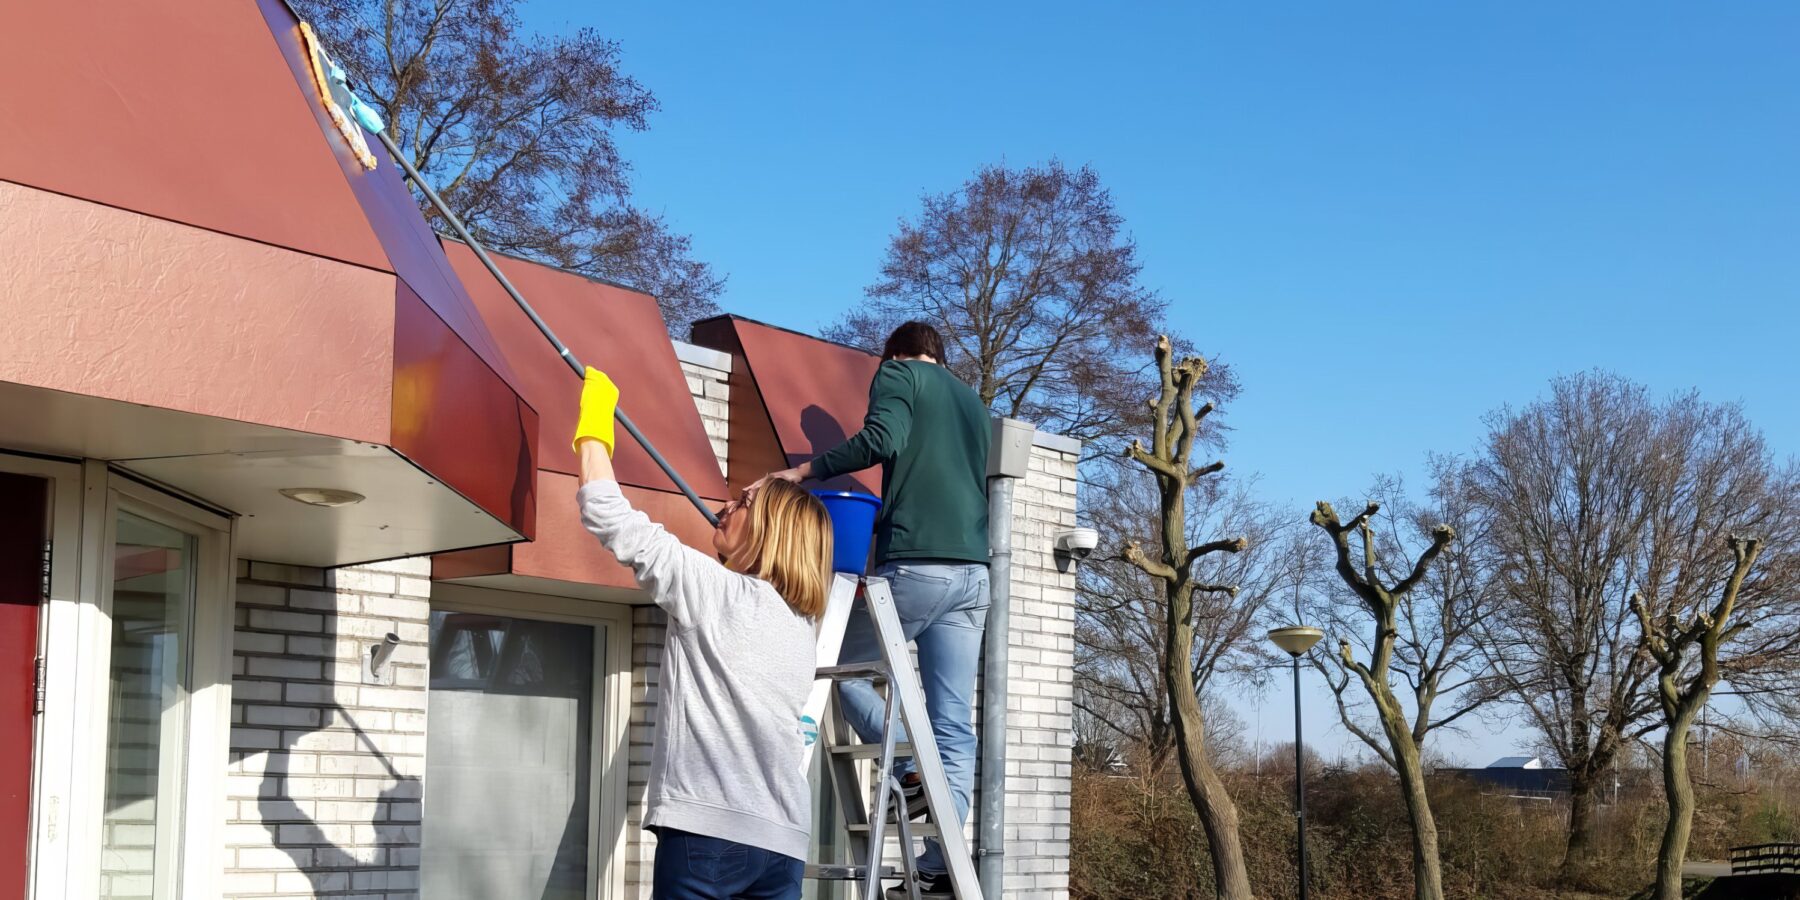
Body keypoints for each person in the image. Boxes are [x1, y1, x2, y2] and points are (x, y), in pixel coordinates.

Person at [573, 366, 833, 900]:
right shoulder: (803, 625)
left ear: (770, 530)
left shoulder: (715, 593)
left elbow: (607, 512)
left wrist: (594, 421)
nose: (726, 506)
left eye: (743, 504)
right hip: (783, 840)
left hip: (708, 834)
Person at [757, 321, 991, 900]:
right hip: (974, 574)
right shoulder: (974, 403)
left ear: (896, 355)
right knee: (955, 726)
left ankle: (911, 773)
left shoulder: (897, 375)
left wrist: (804, 471)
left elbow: (881, 439)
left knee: (840, 663)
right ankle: (940, 866)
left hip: (915, 562)